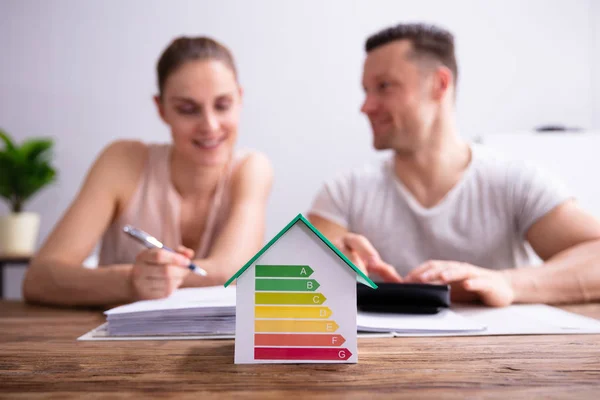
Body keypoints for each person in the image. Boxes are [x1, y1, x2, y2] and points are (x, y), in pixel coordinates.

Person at [308, 23, 600, 307]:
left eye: (384, 86)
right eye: (366, 90)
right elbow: (302, 272)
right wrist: (331, 264)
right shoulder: (344, 191)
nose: (366, 106)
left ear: (440, 83)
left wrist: (507, 283)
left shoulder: (515, 181)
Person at [23, 37, 273, 306]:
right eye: (188, 109)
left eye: (222, 105)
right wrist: (129, 281)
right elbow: (39, 278)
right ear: (162, 109)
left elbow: (230, 272)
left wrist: (156, 278)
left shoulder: (251, 169)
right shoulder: (122, 162)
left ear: (240, 99)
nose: (210, 126)